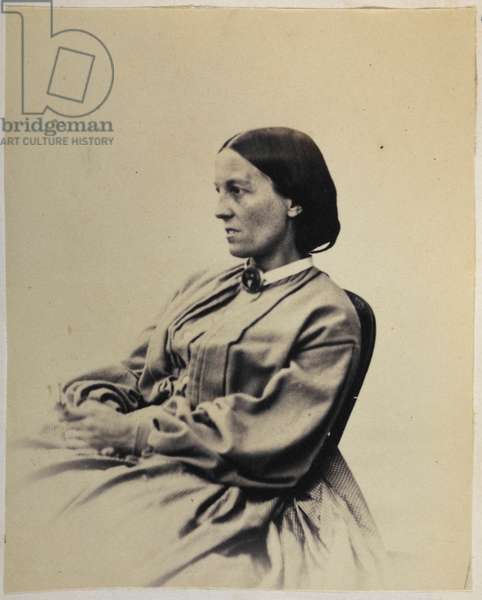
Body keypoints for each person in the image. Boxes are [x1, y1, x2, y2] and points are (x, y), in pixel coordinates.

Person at [10, 127, 388, 590]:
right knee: (25, 476)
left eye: (237, 191)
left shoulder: (328, 315)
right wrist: (96, 405)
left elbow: (268, 436)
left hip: (239, 489)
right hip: (150, 455)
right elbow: (138, 369)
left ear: (293, 202)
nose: (220, 209)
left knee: (100, 538)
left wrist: (137, 433)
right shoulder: (206, 285)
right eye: (218, 191)